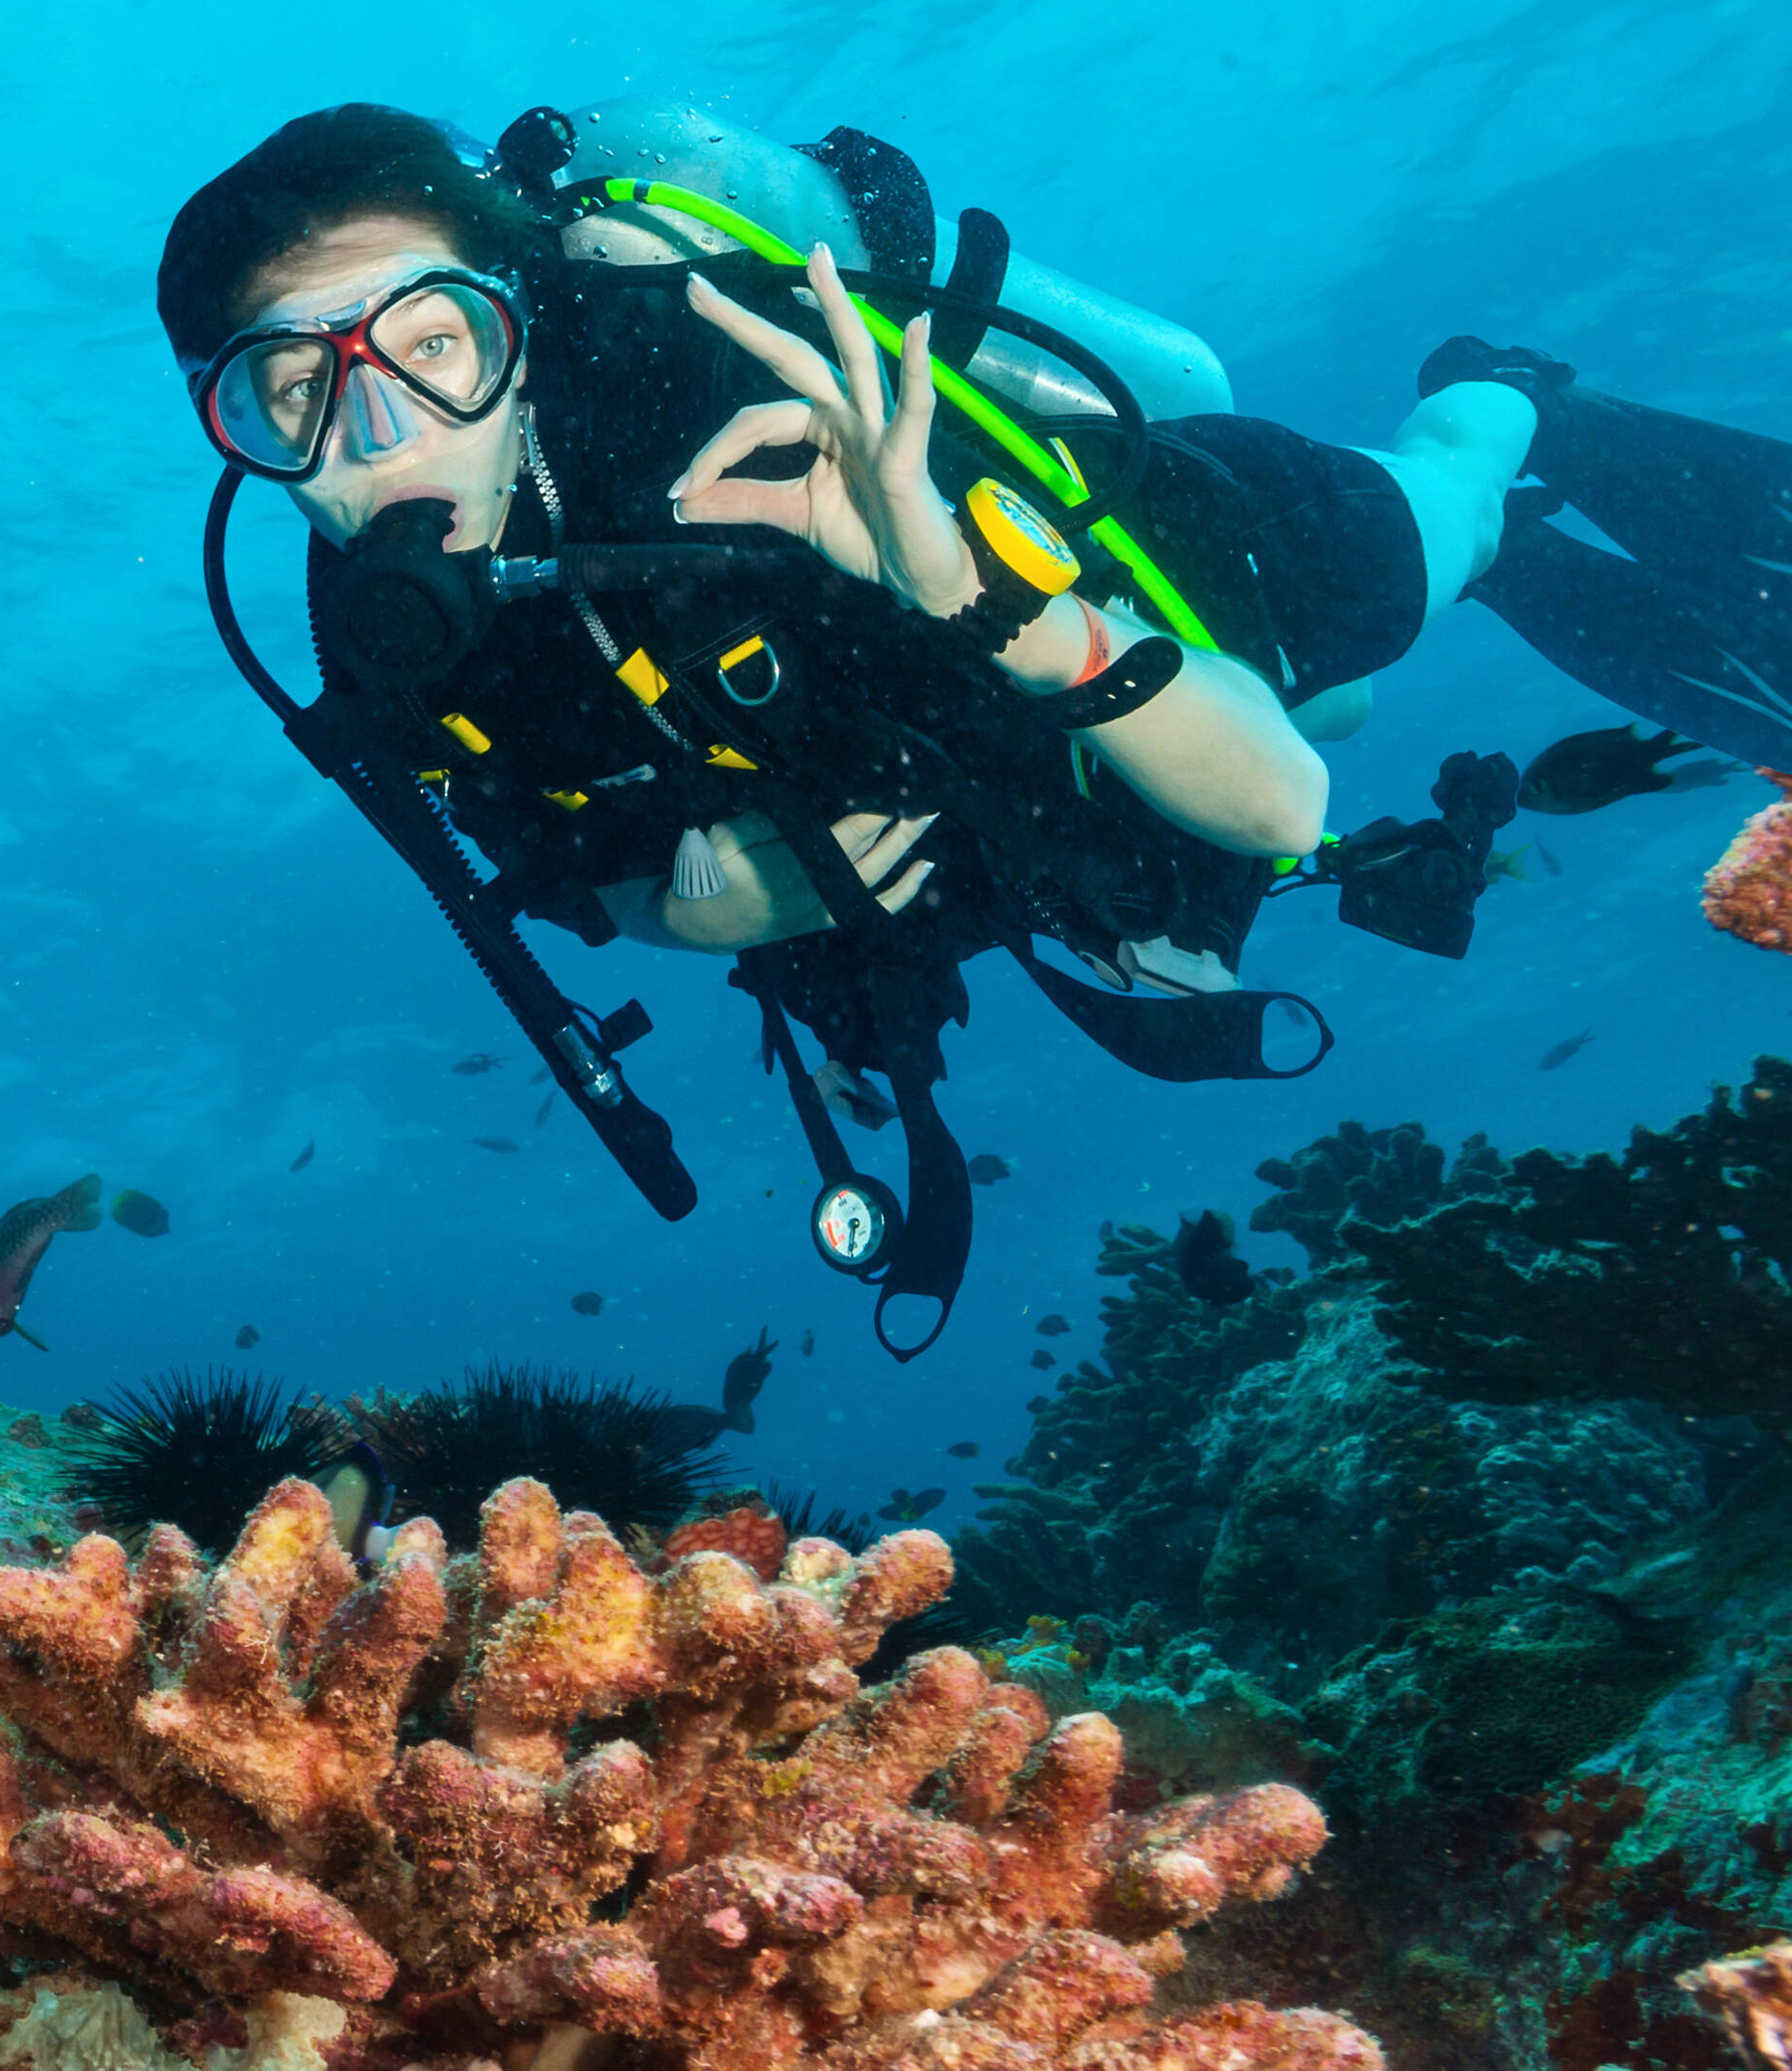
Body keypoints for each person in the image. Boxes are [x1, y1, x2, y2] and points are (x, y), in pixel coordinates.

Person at [153, 98, 1782, 1337]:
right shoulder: (377, 639)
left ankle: (1502, 396)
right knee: (1333, 714)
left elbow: (1279, 809)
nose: (381, 436)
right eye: (291, 395)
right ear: (237, 431)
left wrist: (966, 590)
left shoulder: (762, 387)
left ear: (517, 318)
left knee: (1419, 562)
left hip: (1199, 576)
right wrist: (687, 908)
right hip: (1030, 809)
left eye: (434, 345)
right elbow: (546, 872)